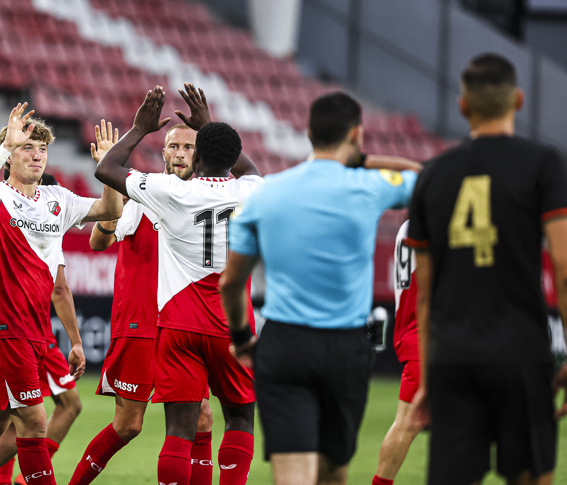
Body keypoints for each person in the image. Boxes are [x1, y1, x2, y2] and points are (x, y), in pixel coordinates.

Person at [220, 92, 419, 485]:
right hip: (346, 348)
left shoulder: (267, 191)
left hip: (285, 343)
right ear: (357, 134)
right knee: (333, 473)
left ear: (308, 132)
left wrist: (243, 337)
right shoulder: (369, 185)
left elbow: (231, 281)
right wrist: (363, 161)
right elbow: (428, 176)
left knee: (292, 474)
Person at [0, 104, 122, 485]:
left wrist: (108, 168)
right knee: (35, 422)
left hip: (35, 331)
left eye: (42, 149)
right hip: (4, 327)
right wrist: (5, 146)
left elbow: (110, 209)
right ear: (10, 156)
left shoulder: (58, 199)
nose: (36, 155)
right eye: (27, 148)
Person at [406, 53, 567, 485]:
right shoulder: (544, 164)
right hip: (522, 353)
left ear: (463, 106)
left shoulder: (433, 175)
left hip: (454, 358)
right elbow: (565, 269)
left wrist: (427, 377)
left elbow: (424, 293)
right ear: (518, 99)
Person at [95, 85, 262, 485]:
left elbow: (106, 169)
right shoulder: (252, 190)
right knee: (239, 417)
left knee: (179, 433)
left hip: (178, 326)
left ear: (197, 156)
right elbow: (250, 170)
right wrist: (209, 127)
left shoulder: (172, 191)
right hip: (232, 326)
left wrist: (138, 129)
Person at [72, 97, 218, 485]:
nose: (181, 152)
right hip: (142, 326)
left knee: (202, 417)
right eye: (174, 145)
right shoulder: (146, 191)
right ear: (163, 150)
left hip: (185, 326)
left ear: (200, 154)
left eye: (189, 146)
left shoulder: (209, 199)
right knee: (128, 424)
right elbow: (99, 244)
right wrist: (112, 195)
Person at [0, 173, 83, 485]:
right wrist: (75, 341)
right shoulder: (41, 225)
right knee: (28, 414)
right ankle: (1, 480)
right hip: (17, 326)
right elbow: (59, 290)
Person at [371, 220, 423, 485]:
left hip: (411, 327)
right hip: (425, 331)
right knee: (407, 422)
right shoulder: (432, 216)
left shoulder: (408, 223)